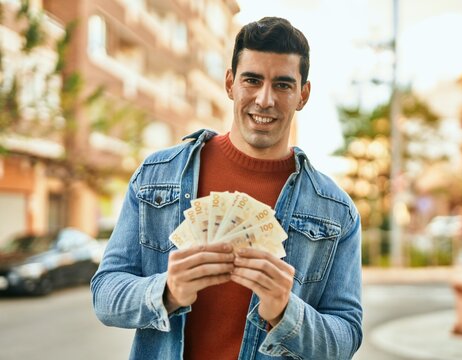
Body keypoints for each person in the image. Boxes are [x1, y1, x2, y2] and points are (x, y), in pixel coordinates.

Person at [91, 16, 363, 360]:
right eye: (252, 80)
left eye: (283, 85)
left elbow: (346, 336)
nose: (265, 100)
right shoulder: (157, 175)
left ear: (303, 95)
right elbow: (104, 294)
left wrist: (285, 311)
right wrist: (167, 291)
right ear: (230, 83)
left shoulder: (336, 211)